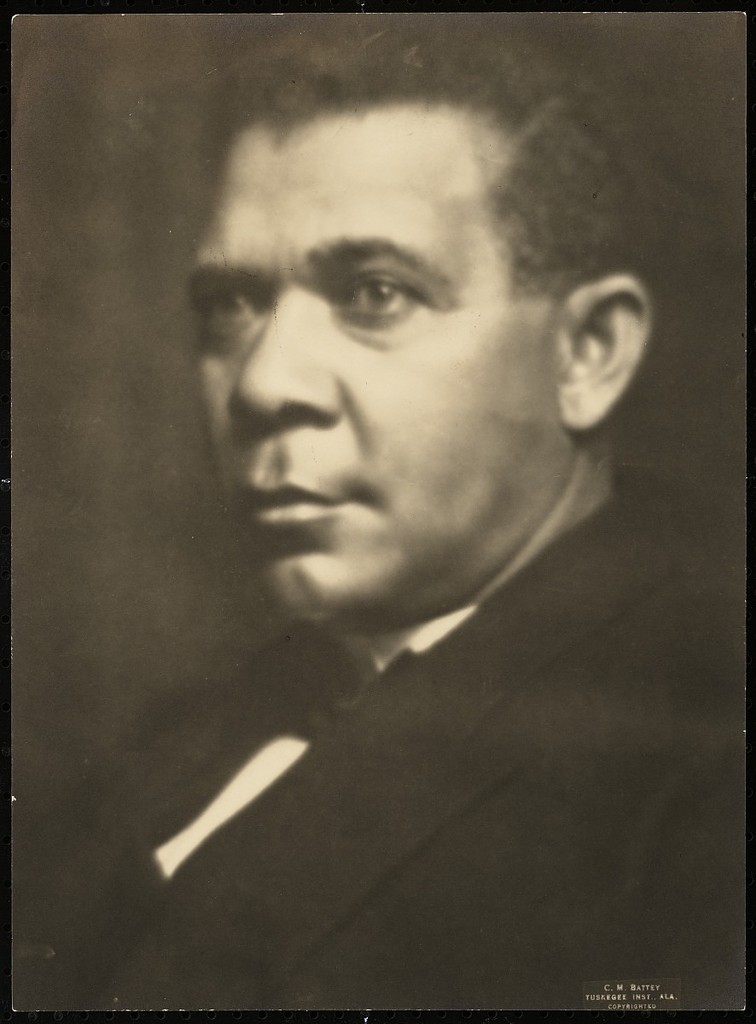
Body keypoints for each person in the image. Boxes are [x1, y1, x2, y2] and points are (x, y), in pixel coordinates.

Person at [15, 18, 743, 1011]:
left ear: (588, 354)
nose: (263, 382)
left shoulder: (701, 769)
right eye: (231, 305)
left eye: (376, 293)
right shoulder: (179, 738)